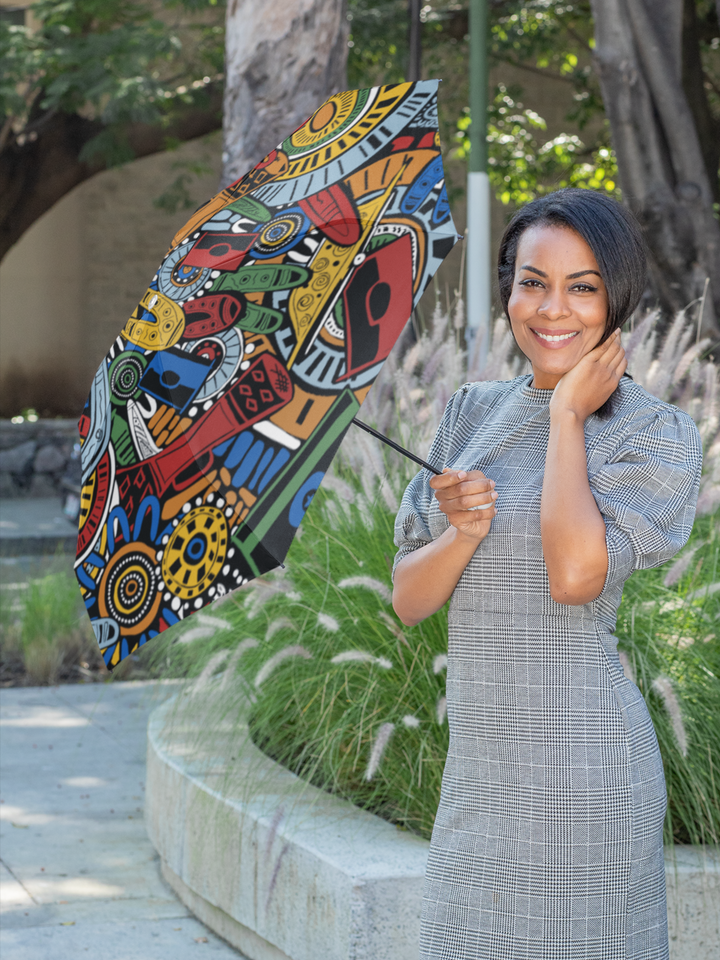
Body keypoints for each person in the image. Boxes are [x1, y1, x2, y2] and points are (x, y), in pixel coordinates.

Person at [392, 188, 702, 960]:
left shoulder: (655, 433)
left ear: (616, 296)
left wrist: (565, 416)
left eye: (582, 286)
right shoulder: (470, 412)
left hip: (587, 776)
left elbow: (574, 576)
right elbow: (407, 599)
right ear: (507, 290)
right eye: (533, 281)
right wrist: (462, 533)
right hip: (480, 773)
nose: (552, 308)